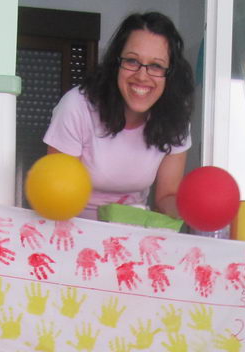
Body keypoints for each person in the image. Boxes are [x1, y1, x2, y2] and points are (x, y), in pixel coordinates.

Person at [43, 12, 194, 220]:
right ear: (117, 63)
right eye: (132, 61)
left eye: (156, 66)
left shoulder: (176, 119)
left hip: (134, 234)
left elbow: (166, 197)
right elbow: (56, 195)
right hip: (73, 231)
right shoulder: (77, 106)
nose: (142, 76)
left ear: (170, 74)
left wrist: (195, 212)